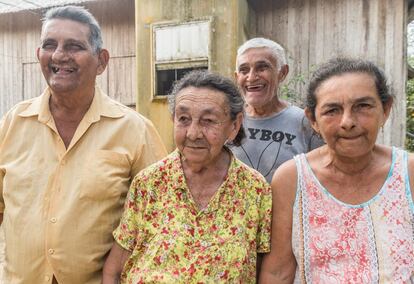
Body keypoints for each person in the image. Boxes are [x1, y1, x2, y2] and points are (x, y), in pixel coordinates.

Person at [0, 6, 167, 284]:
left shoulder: (135, 130)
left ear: (101, 61)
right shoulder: (12, 124)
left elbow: (159, 220)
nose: (59, 55)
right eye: (49, 44)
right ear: (38, 55)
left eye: (74, 46)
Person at [102, 70, 272, 283]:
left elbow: (265, 272)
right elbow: (115, 270)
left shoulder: (255, 190)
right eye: (183, 119)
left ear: (234, 125)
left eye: (208, 120)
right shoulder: (149, 183)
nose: (193, 133)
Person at [260, 58, 414, 283]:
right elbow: (277, 272)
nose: (348, 122)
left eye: (363, 106)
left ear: (386, 109)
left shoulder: (408, 173)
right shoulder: (292, 178)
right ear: (313, 120)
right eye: (332, 110)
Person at [231, 37, 323, 183]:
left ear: (282, 72)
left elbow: (322, 174)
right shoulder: (229, 121)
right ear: (237, 77)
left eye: (262, 68)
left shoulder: (304, 122)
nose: (251, 77)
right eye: (244, 70)